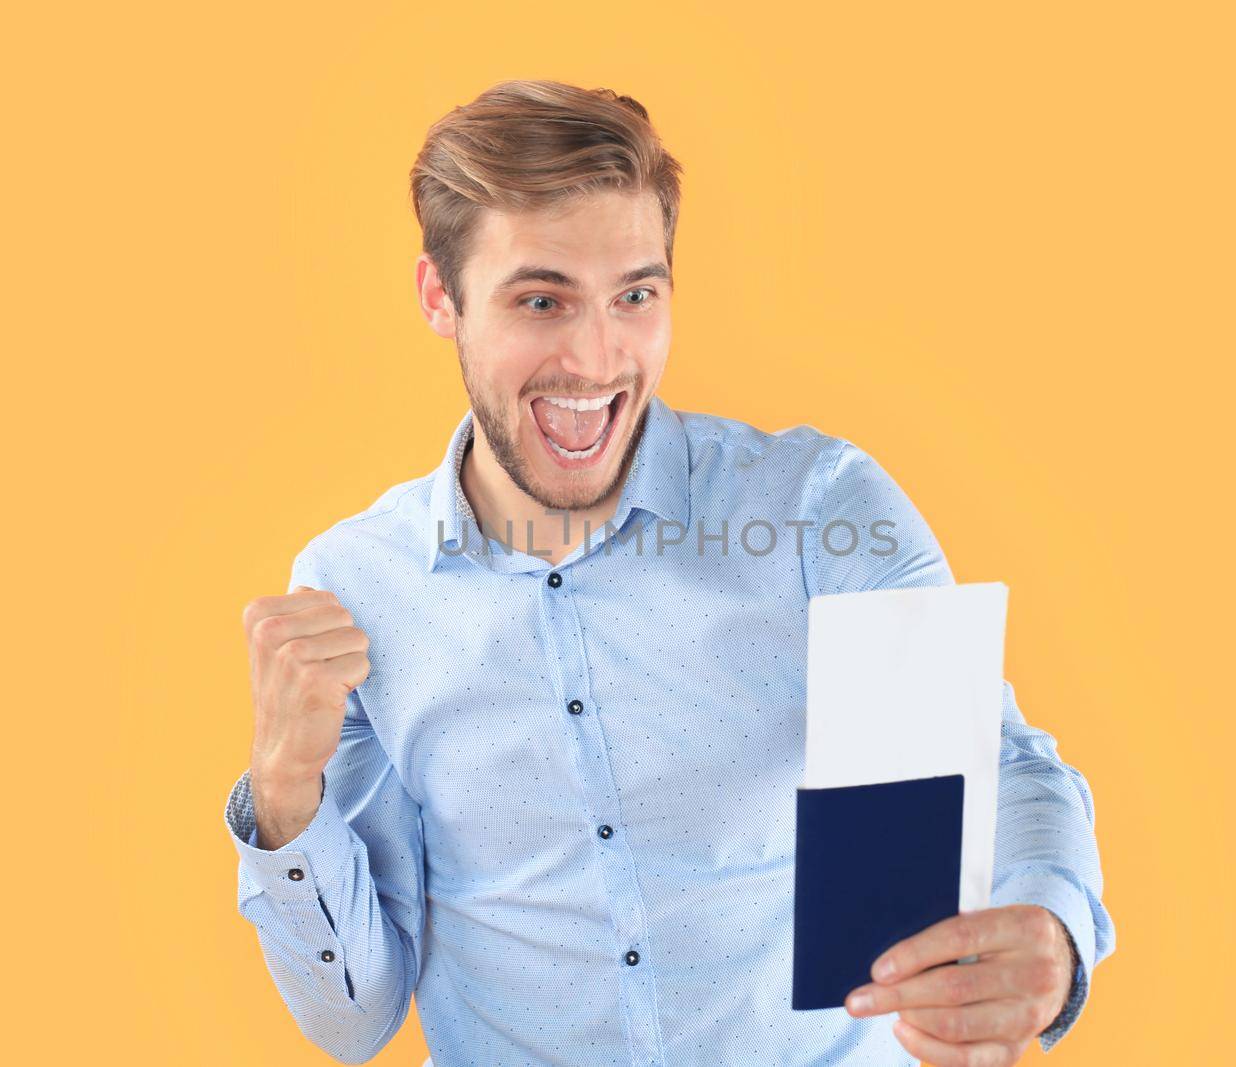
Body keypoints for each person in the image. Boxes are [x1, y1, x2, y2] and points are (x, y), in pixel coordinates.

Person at [223, 78, 1115, 1066]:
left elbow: (995, 769)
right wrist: (283, 791)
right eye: (540, 299)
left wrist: (1050, 924)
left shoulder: (817, 512)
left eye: (634, 296)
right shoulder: (357, 587)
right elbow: (353, 1020)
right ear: (443, 297)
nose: (597, 357)